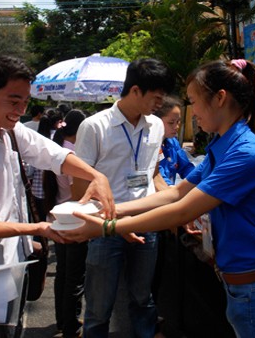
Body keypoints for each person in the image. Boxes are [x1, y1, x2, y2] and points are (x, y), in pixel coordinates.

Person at [63, 59, 255, 337]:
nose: (192, 113)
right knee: (101, 306)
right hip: (243, 285)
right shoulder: (223, 146)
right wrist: (112, 213)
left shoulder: (245, 153)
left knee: (140, 296)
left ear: (220, 99)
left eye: (194, 102)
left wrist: (106, 226)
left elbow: (182, 210)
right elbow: (174, 192)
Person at [0, 55, 115, 338]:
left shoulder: (10, 132)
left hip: (18, 261)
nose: (21, 110)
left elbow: (54, 155)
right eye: (13, 100)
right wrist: (37, 228)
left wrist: (97, 176)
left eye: (25, 102)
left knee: (15, 329)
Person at [71, 58, 175, 338]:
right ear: (136, 90)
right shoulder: (95, 126)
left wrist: (179, 207)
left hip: (145, 224)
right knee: (99, 306)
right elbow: (80, 187)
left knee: (143, 297)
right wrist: (102, 220)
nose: (159, 104)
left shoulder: (155, 126)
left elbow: (152, 174)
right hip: (105, 228)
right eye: (156, 97)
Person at [43, 109, 88, 338]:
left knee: (63, 273)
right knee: (74, 277)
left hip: (57, 218)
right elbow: (76, 191)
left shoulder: (58, 149)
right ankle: (71, 325)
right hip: (72, 220)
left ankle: (63, 320)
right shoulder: (71, 154)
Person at [154, 95, 194, 186]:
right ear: (156, 121)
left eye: (178, 122)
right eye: (171, 122)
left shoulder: (173, 142)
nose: (176, 127)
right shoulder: (150, 145)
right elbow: (157, 175)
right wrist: (172, 190)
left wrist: (198, 180)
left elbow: (185, 167)